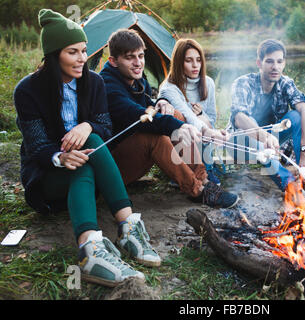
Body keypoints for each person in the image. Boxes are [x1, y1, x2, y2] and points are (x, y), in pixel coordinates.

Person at [14, 9, 162, 287]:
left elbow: (104, 126)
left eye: (84, 50)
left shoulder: (93, 82)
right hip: (48, 178)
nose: (83, 58)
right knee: (82, 157)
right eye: (73, 52)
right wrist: (60, 157)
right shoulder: (28, 90)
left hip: (86, 172)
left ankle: (100, 243)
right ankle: (112, 237)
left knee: (91, 142)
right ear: (54, 54)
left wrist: (87, 126)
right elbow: (36, 146)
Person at [99, 29, 239, 209]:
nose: (138, 63)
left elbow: (148, 105)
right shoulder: (108, 86)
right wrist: (179, 126)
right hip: (112, 167)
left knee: (174, 115)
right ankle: (196, 190)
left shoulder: (137, 79)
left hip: (133, 153)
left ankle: (202, 180)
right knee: (156, 137)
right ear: (113, 61)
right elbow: (140, 117)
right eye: (129, 57)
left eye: (141, 56)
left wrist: (162, 102)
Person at [229, 39, 305, 211]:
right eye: (270, 61)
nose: (275, 67)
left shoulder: (285, 83)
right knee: (254, 129)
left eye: (280, 62)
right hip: (241, 144)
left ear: (284, 63)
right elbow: (240, 118)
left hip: (271, 143)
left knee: (296, 116)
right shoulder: (243, 83)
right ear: (259, 63)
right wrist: (264, 136)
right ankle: (290, 187)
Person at [158, 38, 221, 184]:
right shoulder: (169, 88)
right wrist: (198, 120)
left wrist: (200, 115)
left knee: (203, 121)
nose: (195, 65)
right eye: (189, 60)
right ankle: (184, 170)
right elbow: (186, 116)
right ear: (179, 62)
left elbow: (211, 119)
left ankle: (207, 168)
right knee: (185, 121)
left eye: (198, 60)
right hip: (181, 143)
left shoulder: (208, 83)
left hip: (202, 139)